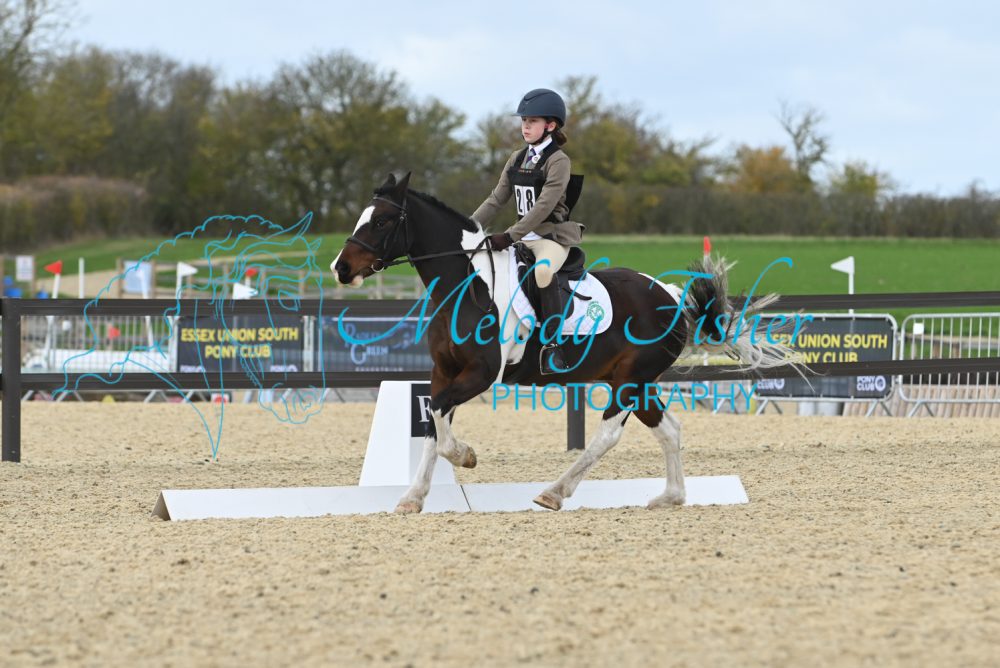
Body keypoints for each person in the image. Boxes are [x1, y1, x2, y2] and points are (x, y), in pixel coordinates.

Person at [473, 88, 584, 374]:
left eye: (532, 121)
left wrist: (511, 235)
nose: (525, 126)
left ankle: (553, 346)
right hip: (522, 237)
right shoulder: (516, 158)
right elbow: (496, 199)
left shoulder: (558, 161)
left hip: (551, 238)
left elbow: (544, 206)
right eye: (523, 121)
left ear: (551, 125)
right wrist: (467, 228)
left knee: (543, 272)